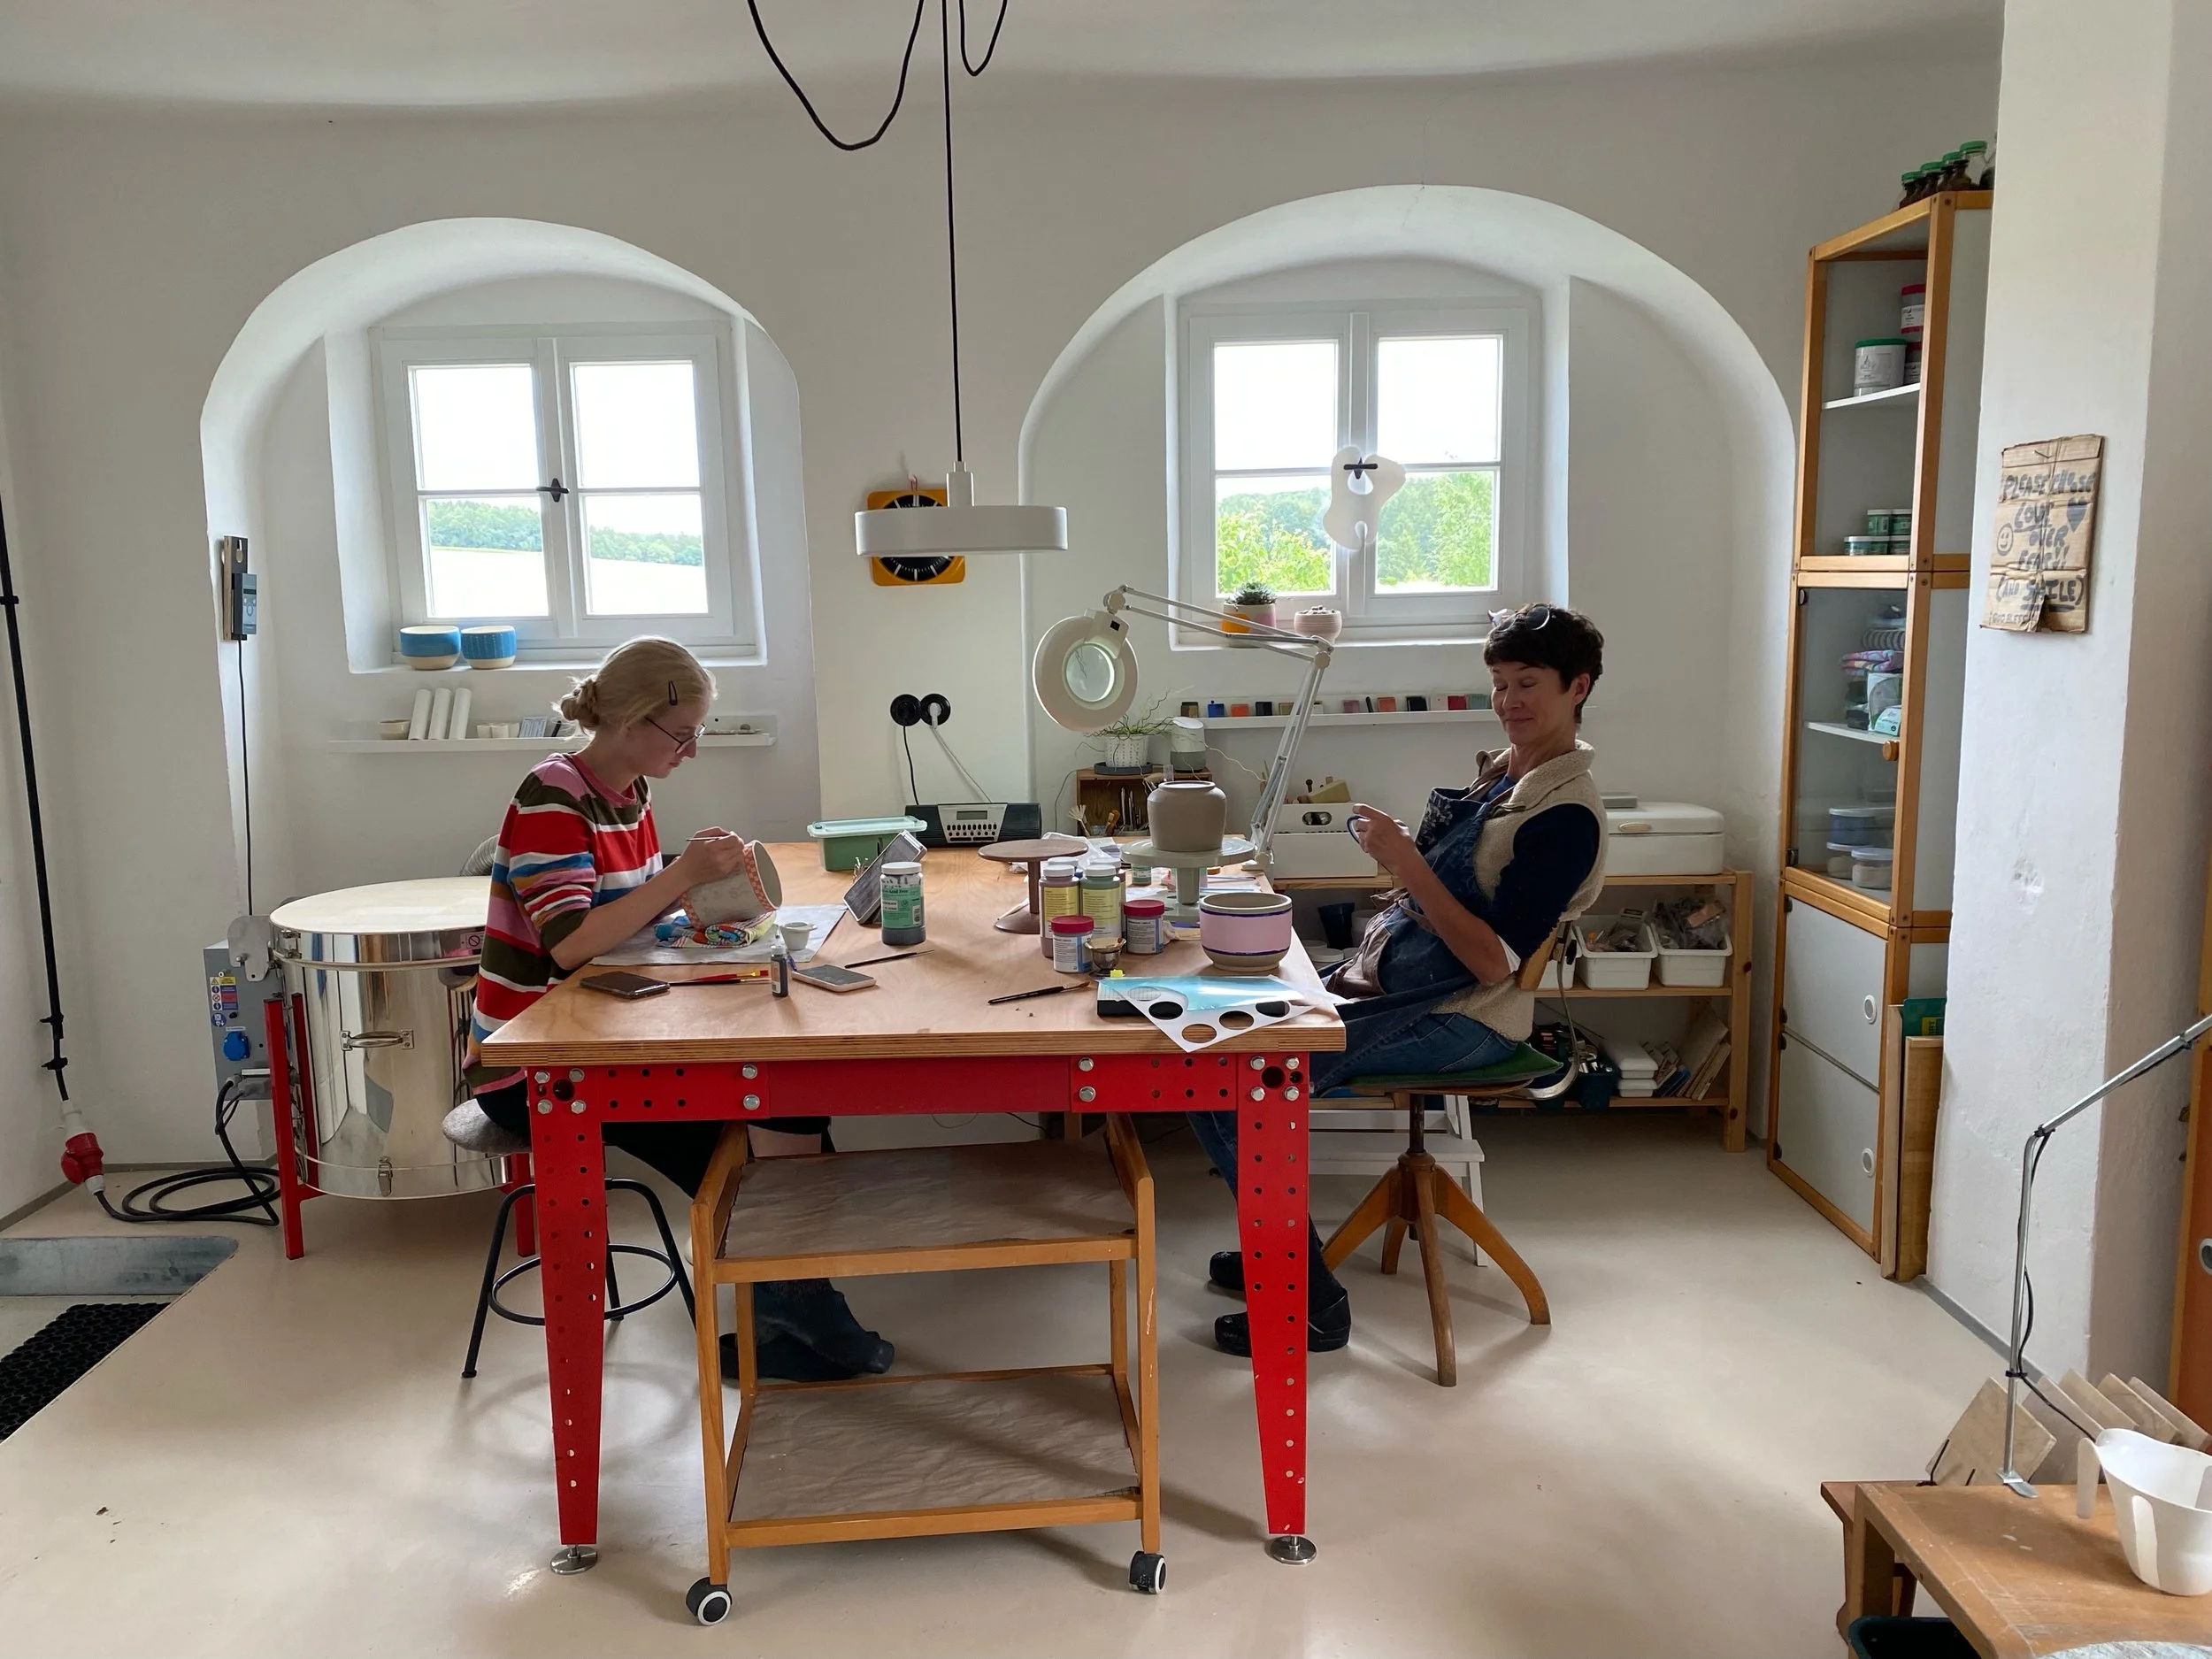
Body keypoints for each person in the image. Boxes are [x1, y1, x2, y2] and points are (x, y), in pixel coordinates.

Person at [465, 636, 893, 1383]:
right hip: (530, 1061)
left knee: (793, 1110)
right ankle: (796, 1319)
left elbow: (625, 917)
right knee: (766, 1134)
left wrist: (707, 904)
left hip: (604, 1027)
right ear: (631, 719)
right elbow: (571, 944)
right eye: (683, 733)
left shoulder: (629, 790)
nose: (691, 750)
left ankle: (790, 1315)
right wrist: (680, 875)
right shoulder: (552, 797)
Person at [1189, 603, 1609, 1357]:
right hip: (1400, 984)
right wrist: (1406, 861)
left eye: (1528, 683)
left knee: (1236, 1080)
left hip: (1467, 1015)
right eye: (1500, 682)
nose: (1509, 700)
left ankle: (1309, 1304)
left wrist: (1407, 863)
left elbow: (1493, 962)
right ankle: (1278, 1251)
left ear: (1577, 686)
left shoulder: (1566, 816)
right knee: (1216, 1036)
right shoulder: (1506, 777)